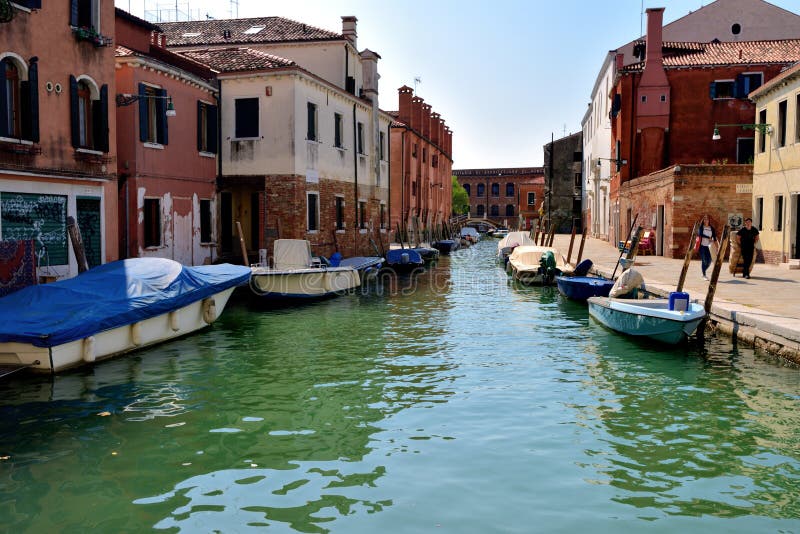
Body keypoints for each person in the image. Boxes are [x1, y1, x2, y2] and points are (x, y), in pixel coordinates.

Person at [697, 215, 717, 280]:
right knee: (704, 261)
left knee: (709, 261)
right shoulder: (701, 227)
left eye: (707, 219)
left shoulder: (712, 228)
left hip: (710, 247)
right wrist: (708, 237)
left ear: (709, 220)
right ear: (703, 220)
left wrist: (713, 240)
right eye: (705, 219)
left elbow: (714, 237)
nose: (706, 220)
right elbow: (700, 234)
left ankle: (703, 271)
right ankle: (704, 274)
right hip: (702, 246)